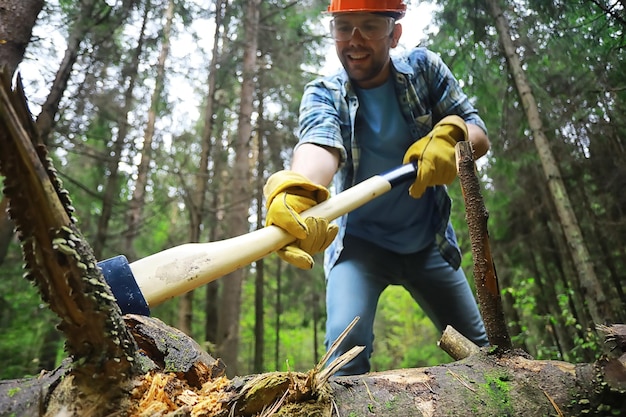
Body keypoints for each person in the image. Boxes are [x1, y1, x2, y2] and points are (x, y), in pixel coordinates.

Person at [263, 0, 490, 376]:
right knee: (343, 354)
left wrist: (455, 136)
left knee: (481, 352)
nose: (355, 40)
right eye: (343, 26)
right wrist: (300, 188)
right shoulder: (323, 92)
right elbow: (318, 143)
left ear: (394, 32)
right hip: (360, 249)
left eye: (369, 26)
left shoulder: (424, 69)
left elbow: (477, 132)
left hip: (427, 244)